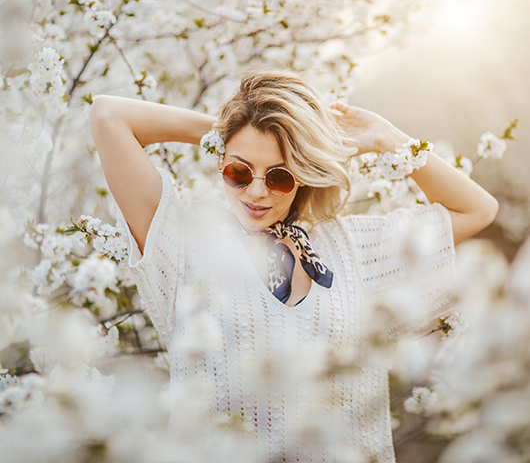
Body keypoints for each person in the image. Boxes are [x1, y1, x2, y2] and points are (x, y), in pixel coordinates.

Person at [89, 70, 498, 462]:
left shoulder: (351, 247)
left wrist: (389, 138)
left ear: (303, 176)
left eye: (280, 176)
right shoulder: (186, 247)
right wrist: (228, 131)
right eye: (239, 170)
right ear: (220, 161)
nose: (256, 191)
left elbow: (477, 209)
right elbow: (109, 115)